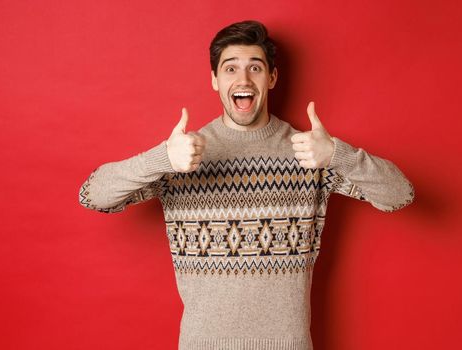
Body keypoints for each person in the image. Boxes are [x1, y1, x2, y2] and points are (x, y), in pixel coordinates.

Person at [78, 20, 414, 350]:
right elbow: (92, 196)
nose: (243, 78)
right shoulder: (183, 155)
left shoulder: (309, 152)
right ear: (214, 80)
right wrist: (161, 159)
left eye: (255, 68)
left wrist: (339, 154)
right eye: (230, 69)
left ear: (271, 78)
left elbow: (401, 195)